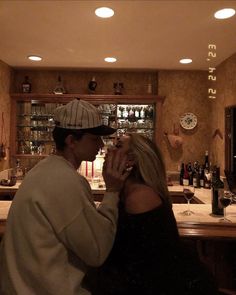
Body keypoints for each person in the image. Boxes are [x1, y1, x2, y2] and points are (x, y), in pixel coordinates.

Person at [0, 99, 130, 295]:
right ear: (71, 141)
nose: (101, 144)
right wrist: (112, 191)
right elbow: (97, 251)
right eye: (95, 138)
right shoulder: (65, 180)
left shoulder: (44, 170)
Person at [84, 133, 218, 295]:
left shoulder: (140, 197)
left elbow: (140, 267)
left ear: (131, 161)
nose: (109, 149)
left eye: (118, 146)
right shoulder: (127, 191)